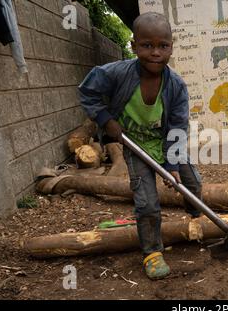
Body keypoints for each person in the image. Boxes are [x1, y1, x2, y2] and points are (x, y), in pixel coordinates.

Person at [78, 12, 202, 280]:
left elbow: (178, 127)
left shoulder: (176, 86)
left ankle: (198, 220)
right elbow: (87, 90)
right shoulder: (115, 73)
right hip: (134, 144)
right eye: (147, 45)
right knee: (146, 203)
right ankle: (152, 252)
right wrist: (105, 119)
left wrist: (171, 164)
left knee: (193, 183)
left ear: (171, 46)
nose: (155, 53)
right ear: (133, 46)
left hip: (165, 140)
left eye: (163, 46)